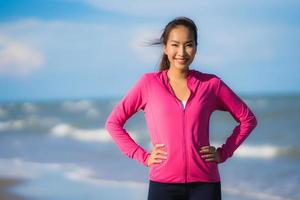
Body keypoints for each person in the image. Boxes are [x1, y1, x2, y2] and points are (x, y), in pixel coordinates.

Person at [105, 16, 258, 200]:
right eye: (175, 44)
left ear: (195, 47)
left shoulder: (211, 84)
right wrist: (143, 156)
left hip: (205, 185)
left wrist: (223, 153)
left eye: (188, 44)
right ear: (166, 47)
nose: (182, 52)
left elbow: (248, 119)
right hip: (163, 185)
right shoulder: (148, 84)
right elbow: (113, 123)